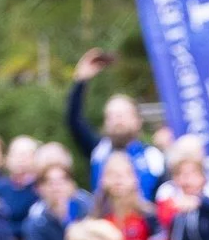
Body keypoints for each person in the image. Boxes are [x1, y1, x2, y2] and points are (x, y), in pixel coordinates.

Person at [66, 49, 168, 199]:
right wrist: (80, 80)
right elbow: (73, 120)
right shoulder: (98, 150)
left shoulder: (153, 156)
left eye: (123, 114)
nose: (118, 120)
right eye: (112, 116)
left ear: (138, 120)